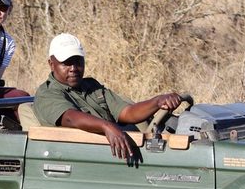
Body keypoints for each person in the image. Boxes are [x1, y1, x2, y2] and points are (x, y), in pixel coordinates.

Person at [34, 33, 182, 162]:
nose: (73, 69)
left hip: (109, 152)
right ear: (51, 64)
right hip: (81, 157)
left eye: (78, 62)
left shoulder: (91, 86)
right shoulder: (47, 93)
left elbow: (127, 112)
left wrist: (157, 101)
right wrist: (106, 126)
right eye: (66, 63)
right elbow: (70, 118)